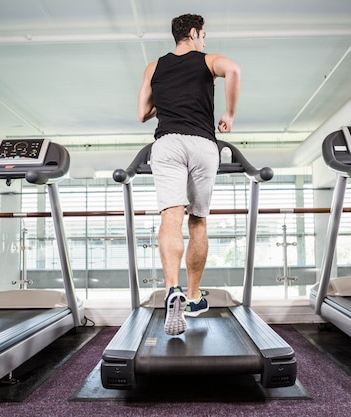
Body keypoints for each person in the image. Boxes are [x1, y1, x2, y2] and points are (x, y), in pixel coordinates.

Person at [136, 13, 241, 336]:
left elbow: (142, 113)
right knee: (198, 220)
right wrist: (229, 113)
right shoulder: (209, 60)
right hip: (202, 143)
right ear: (194, 34)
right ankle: (194, 297)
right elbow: (234, 71)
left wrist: (166, 101)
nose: (205, 41)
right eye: (204, 35)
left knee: (171, 216)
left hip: (167, 143)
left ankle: (172, 289)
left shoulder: (154, 66)